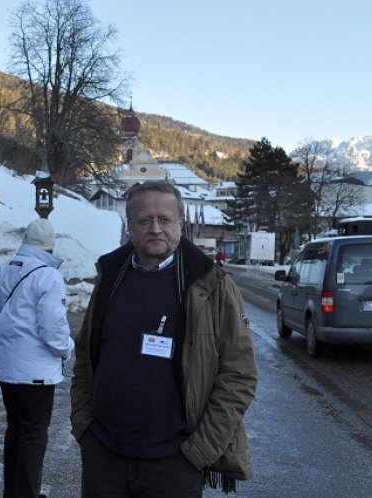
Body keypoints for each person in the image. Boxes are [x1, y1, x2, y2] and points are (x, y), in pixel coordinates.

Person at [71, 181, 257, 497]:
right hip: (104, 456)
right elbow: (85, 354)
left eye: (165, 219)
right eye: (144, 220)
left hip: (176, 463)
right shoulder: (110, 276)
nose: (155, 229)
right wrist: (83, 424)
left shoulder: (211, 284)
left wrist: (200, 450)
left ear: (180, 223)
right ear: (130, 226)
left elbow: (240, 375)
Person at [0, 218, 73, 498]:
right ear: (50, 245)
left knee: (16, 430)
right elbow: (53, 328)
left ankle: (13, 492)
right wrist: (66, 348)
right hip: (37, 372)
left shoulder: (2, 269)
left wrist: (4, 341)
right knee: (34, 434)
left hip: (6, 368)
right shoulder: (48, 276)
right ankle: (27, 493)